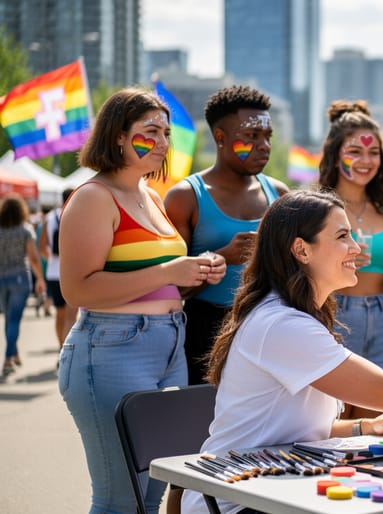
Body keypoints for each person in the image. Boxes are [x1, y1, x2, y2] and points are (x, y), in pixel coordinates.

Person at [181, 190, 383, 514]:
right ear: (301, 249)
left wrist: (364, 427)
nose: (356, 249)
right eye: (343, 236)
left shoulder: (294, 317)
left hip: (272, 488)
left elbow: (295, 428)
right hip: (237, 502)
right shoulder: (282, 324)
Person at [57, 87, 226, 514]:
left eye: (166, 133)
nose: (163, 143)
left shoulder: (149, 195)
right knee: (120, 497)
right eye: (150, 132)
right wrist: (170, 272)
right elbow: (77, 290)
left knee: (152, 492)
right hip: (111, 348)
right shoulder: (94, 197)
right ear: (117, 136)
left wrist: (198, 269)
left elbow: (153, 276)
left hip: (166, 346)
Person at [165, 85, 289, 385]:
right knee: (205, 424)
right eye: (251, 137)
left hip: (268, 325)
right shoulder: (186, 197)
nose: (264, 146)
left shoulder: (280, 194)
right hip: (204, 330)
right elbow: (169, 289)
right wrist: (222, 257)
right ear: (220, 138)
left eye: (267, 137)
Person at [318, 100, 383, 420]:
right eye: (355, 151)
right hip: (337, 315)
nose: (365, 161)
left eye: (373, 153)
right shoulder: (317, 209)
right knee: (336, 417)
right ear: (335, 153)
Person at [1, 194, 46, 375]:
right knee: (14, 319)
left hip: (1, 278)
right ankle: (7, 358)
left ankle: (14, 353)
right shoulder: (25, 230)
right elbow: (34, 258)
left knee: (8, 318)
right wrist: (40, 278)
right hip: (20, 277)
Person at [38, 188, 79, 352]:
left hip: (54, 273)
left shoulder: (50, 218)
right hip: (74, 273)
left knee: (60, 314)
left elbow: (41, 246)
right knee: (71, 316)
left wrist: (53, 261)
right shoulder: (77, 215)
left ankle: (60, 348)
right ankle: (67, 352)